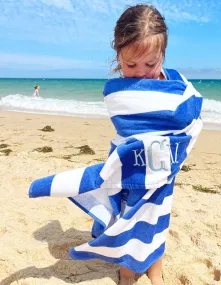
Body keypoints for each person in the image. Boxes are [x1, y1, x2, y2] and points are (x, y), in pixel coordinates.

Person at [29, 4, 203, 285]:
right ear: (118, 54)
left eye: (151, 63)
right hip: (129, 168)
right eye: (130, 64)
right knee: (126, 220)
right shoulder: (120, 92)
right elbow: (129, 125)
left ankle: (155, 273)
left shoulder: (175, 85)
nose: (140, 73)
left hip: (162, 167)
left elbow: (190, 113)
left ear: (163, 55)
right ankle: (126, 273)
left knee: (156, 220)